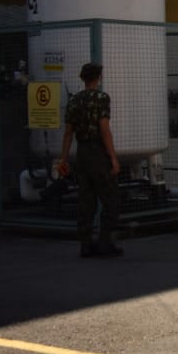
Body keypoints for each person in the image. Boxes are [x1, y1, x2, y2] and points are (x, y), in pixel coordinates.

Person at [57, 63, 123, 258]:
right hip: (97, 152)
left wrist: (63, 158)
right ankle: (105, 242)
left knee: (86, 200)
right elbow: (104, 129)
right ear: (98, 77)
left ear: (83, 78)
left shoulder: (74, 101)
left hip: (82, 152)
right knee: (110, 198)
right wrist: (113, 158)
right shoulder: (102, 99)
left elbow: (68, 133)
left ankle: (85, 244)